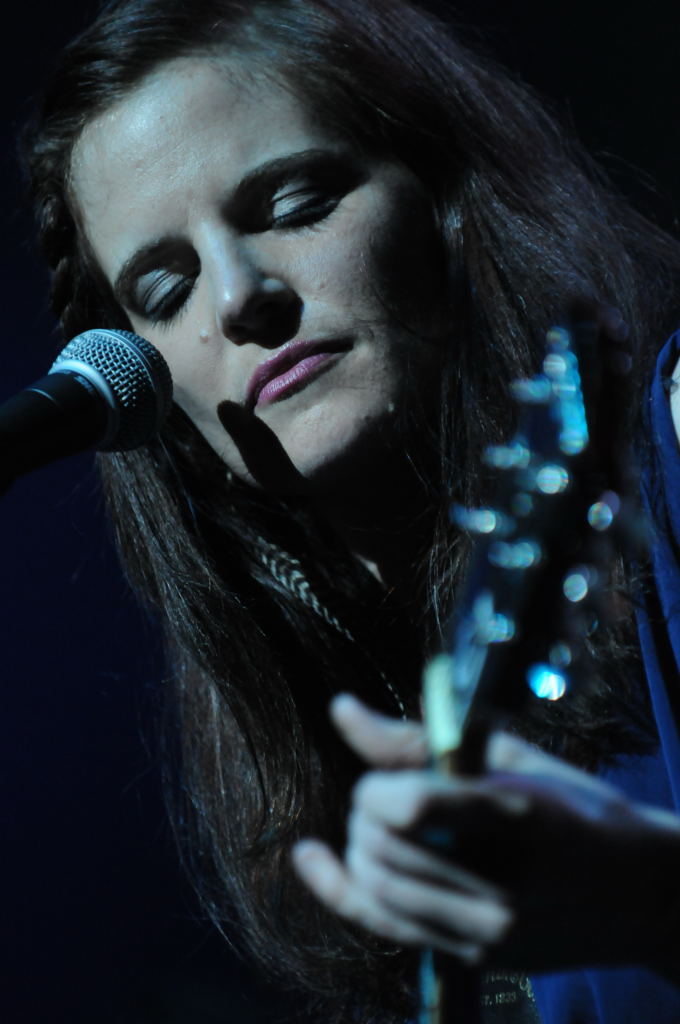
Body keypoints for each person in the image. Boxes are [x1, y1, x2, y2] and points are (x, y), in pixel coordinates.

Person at [22, 0, 680, 1020]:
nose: (237, 296)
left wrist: (650, 896)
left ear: (446, 196)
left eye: (295, 205)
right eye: (164, 287)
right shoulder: (322, 702)